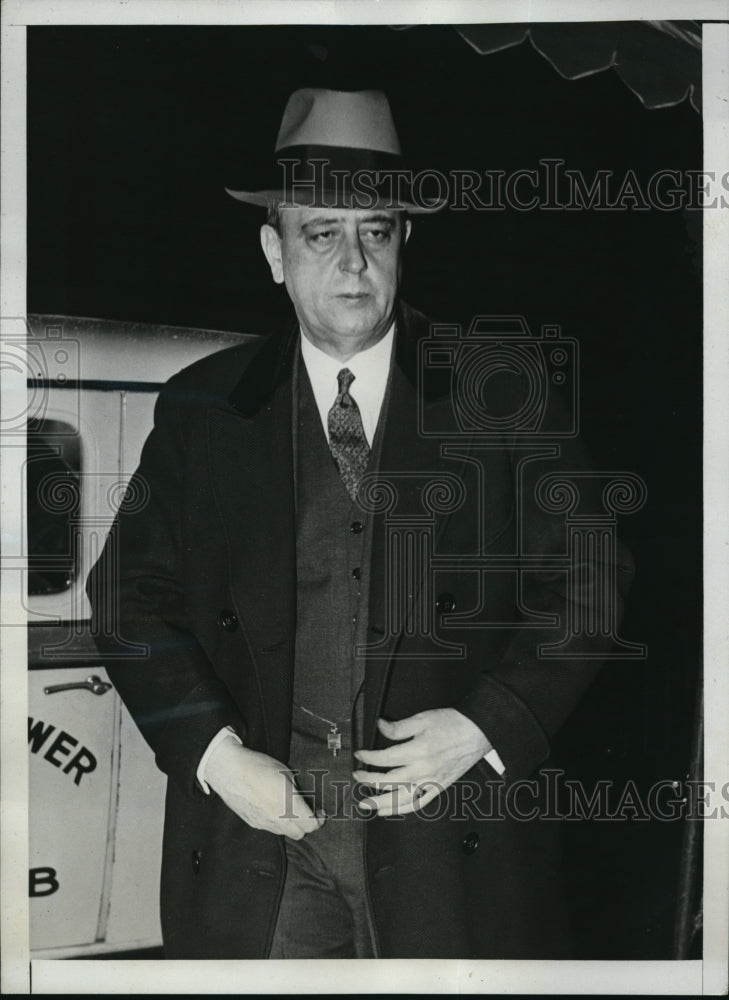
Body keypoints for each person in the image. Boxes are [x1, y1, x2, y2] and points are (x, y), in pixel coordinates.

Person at [87, 88, 634, 959]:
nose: (352, 264)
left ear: (403, 242)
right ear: (273, 251)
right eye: (321, 234)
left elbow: (590, 584)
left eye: (375, 232)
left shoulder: (501, 387)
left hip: (447, 841)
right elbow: (125, 597)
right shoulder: (204, 406)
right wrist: (217, 756)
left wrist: (487, 723)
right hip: (262, 841)